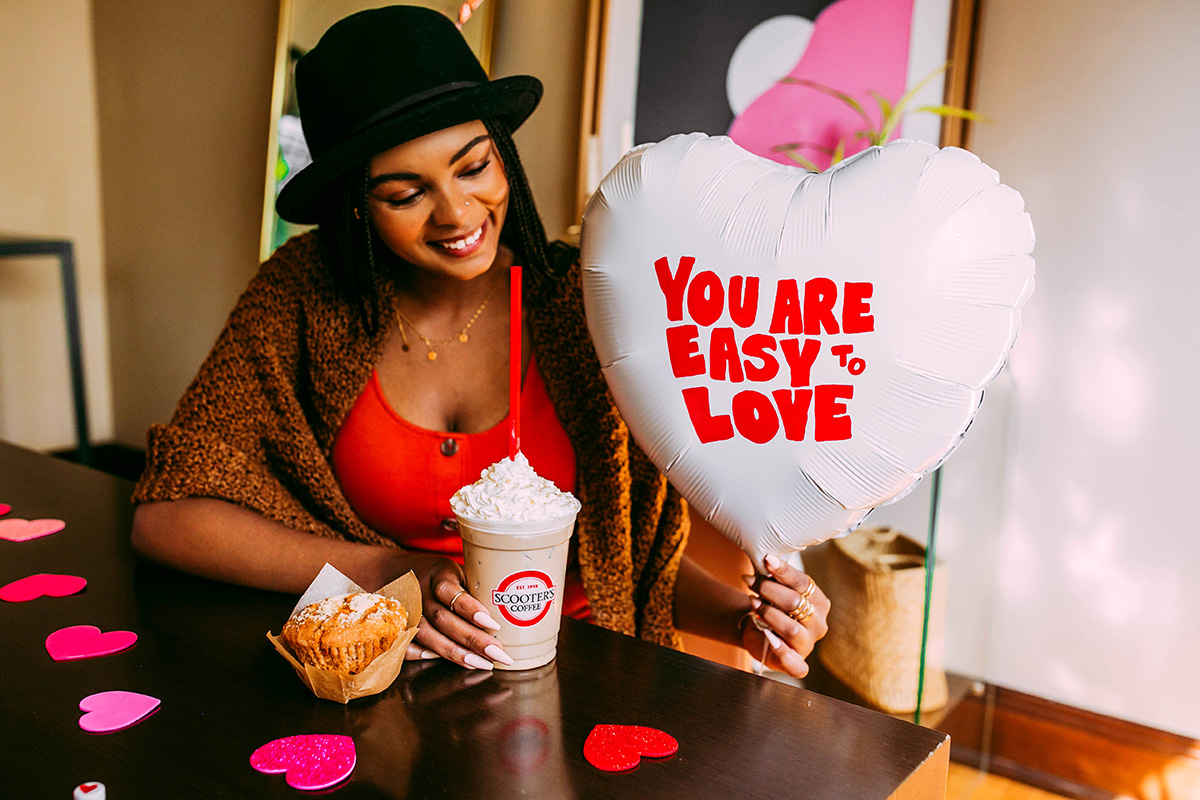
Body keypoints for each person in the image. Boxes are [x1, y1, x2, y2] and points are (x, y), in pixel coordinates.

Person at [130, 5, 828, 677]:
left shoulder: (585, 307)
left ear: (504, 154)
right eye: (405, 194)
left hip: (576, 676)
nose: (457, 213)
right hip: (388, 678)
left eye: (473, 167)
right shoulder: (303, 296)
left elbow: (635, 564)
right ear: (354, 203)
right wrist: (389, 573)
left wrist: (745, 620)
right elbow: (166, 516)